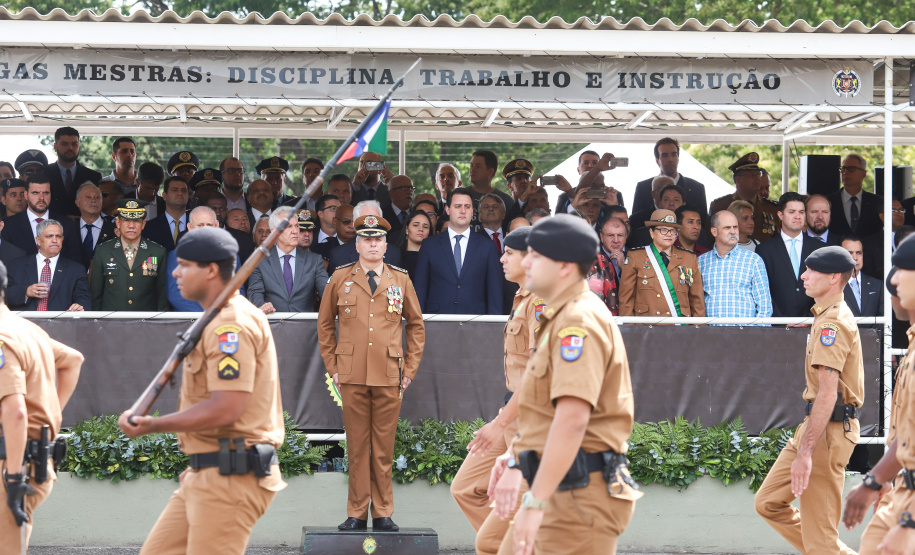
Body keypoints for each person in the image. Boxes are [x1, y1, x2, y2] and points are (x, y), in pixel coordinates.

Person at [118, 227, 286, 554]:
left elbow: (227, 408)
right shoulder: (217, 317)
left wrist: (154, 425)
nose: (175, 273)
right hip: (211, 469)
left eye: (184, 265)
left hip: (230, 476)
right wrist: (200, 463)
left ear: (210, 270)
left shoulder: (230, 325)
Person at [490, 214, 642, 555]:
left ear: (564, 266)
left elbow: (572, 420)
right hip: (562, 488)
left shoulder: (578, 320)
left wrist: (535, 502)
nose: (525, 262)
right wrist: (516, 459)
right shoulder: (561, 315)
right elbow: (545, 410)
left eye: (535, 255)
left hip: (579, 499)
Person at [317, 214, 425, 532]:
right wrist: (334, 367)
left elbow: (416, 326)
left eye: (378, 240)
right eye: (367, 239)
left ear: (386, 245)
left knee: (383, 448)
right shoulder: (340, 277)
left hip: (390, 374)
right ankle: (356, 512)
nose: (373, 244)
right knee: (356, 446)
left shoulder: (400, 279)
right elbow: (325, 325)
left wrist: (410, 369)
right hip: (351, 374)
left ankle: (382, 513)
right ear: (358, 245)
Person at [754, 246, 863, 555]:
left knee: (821, 540)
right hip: (817, 425)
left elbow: (828, 393)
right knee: (768, 503)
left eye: (811, 270)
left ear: (833, 277)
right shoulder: (825, 318)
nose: (803, 276)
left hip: (828, 430)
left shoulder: (832, 324)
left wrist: (805, 452)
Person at [451, 226, 542, 554]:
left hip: (530, 418)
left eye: (509, 253)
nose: (502, 259)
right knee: (465, 488)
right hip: (512, 411)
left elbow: (536, 373)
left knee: (490, 540)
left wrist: (500, 422)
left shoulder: (540, 302)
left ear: (530, 258)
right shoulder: (521, 297)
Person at [0, 260, 83, 553]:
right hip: (27, 458)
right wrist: (52, 415)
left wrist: (13, 477)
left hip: (12, 464)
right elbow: (73, 360)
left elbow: (15, 412)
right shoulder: (26, 329)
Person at [841, 239, 915, 554]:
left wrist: (909, 524)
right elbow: (907, 436)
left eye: (903, 269)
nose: (894, 280)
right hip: (901, 490)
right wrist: (876, 480)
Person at [414, 188, 503, 315]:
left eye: (467, 206)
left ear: (473, 211)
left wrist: (494, 325)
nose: (463, 211)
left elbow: (495, 293)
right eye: (458, 206)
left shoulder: (487, 246)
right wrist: (417, 322)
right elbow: (420, 289)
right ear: (447, 210)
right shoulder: (429, 245)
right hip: (437, 320)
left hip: (476, 321)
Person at [618, 209, 705, 318]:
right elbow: (626, 300)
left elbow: (697, 301)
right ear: (651, 232)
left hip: (679, 325)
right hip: (647, 325)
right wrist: (629, 327)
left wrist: (698, 326)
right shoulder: (635, 257)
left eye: (673, 231)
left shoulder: (689, 258)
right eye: (663, 230)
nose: (669, 234)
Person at [90, 199, 169, 311]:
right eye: (126, 221)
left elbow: (162, 296)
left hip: (145, 320)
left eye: (136, 221)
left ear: (143, 224)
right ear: (118, 223)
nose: (131, 226)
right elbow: (95, 295)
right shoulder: (103, 250)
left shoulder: (158, 252)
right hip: (112, 320)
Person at [247, 206, 328, 314]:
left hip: (305, 323)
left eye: (296, 226)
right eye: (288, 226)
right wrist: (262, 305)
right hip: (272, 322)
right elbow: (255, 292)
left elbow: (326, 291)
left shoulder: (314, 260)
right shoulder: (259, 261)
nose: (295, 231)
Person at [756, 192, 825, 317]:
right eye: (792, 212)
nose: (797, 216)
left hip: (812, 322)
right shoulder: (765, 250)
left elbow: (825, 289)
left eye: (801, 212)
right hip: (777, 323)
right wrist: (780, 320)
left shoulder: (819, 248)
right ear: (780, 215)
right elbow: (762, 291)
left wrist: (810, 318)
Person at [697, 211, 772, 324]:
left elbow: (764, 305)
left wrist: (757, 332)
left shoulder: (753, 260)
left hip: (746, 332)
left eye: (735, 227)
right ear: (714, 231)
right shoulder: (701, 261)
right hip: (711, 332)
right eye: (727, 228)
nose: (733, 231)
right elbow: (696, 302)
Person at [165, 207, 243, 312]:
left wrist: (221, 312)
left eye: (209, 225)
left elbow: (238, 290)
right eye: (200, 225)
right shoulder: (176, 256)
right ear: (190, 227)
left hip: (223, 317)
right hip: (189, 319)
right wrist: (205, 315)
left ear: (216, 226)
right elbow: (175, 294)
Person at [6, 219, 91, 311]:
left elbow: (84, 299)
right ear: (38, 240)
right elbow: (3, 296)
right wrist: (26, 292)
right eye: (49, 236)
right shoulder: (16, 266)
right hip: (25, 320)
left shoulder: (76, 270)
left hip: (61, 320)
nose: (54, 240)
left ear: (62, 239)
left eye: (58, 236)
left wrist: (80, 307)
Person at [1, 171, 82, 263]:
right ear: (26, 195)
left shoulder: (67, 224)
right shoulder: (7, 226)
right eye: (35, 193)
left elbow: (76, 262)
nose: (41, 198)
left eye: (46, 193)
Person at [709, 152, 780, 242]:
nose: (757, 178)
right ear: (738, 180)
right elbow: (710, 240)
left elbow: (778, 240)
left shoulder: (771, 208)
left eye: (758, 174)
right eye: (752, 175)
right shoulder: (720, 206)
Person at [632, 137, 708, 220]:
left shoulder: (696, 188)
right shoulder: (643, 188)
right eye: (665, 155)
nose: (670, 159)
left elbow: (703, 221)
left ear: (678, 158)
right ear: (657, 161)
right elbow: (636, 221)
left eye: (674, 154)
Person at [327, 201, 403, 271]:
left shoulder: (394, 253)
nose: (371, 224)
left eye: (376, 219)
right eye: (365, 220)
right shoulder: (338, 255)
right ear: (355, 224)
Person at [47, 126, 102, 217]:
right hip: (51, 224)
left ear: (79, 146)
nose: (70, 148)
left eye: (74, 144)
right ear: (55, 147)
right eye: (64, 144)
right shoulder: (44, 173)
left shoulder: (93, 177)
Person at [828, 153, 883, 238]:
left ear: (863, 174)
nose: (845, 172)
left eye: (851, 169)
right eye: (843, 169)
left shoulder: (877, 202)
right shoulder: (828, 202)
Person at [142, 177, 190, 252]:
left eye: (184, 191)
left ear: (188, 195)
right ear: (164, 196)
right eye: (175, 190)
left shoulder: (198, 225)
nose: (180, 193)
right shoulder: (148, 228)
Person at [841, 236, 883, 319]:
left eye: (858, 253)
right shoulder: (832, 285)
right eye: (850, 253)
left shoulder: (877, 285)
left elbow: (883, 317)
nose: (855, 258)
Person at [397, 210, 433, 278]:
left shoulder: (434, 259)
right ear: (407, 229)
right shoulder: (395, 257)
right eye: (416, 225)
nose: (421, 229)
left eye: (425, 227)